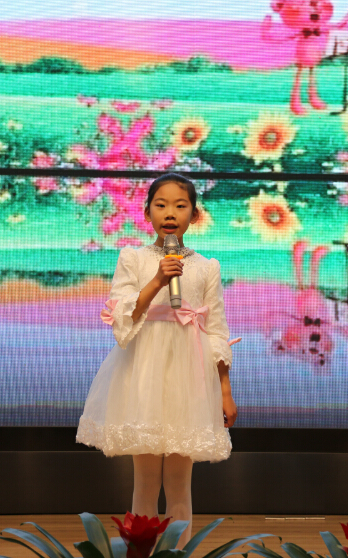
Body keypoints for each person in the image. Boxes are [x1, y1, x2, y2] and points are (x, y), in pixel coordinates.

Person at [76, 173, 238, 544]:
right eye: (161, 205)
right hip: (144, 376)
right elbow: (121, 317)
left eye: (180, 206)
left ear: (194, 215)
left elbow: (216, 329)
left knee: (180, 484)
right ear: (147, 211)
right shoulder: (132, 258)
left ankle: (177, 552)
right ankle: (140, 552)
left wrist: (225, 390)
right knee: (146, 482)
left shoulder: (207, 267)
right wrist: (157, 281)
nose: (170, 213)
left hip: (189, 378)